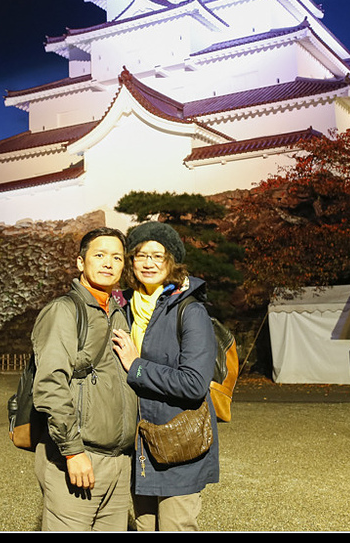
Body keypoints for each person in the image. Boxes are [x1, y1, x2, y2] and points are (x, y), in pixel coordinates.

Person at [111, 222, 219, 531]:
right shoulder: (126, 308)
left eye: (158, 255)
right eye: (141, 255)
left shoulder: (189, 310)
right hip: (139, 444)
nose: (149, 263)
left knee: (176, 526)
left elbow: (194, 383)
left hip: (178, 442)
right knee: (145, 527)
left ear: (172, 261)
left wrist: (137, 366)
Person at [30, 227, 138, 531]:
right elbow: (51, 385)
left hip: (118, 460)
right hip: (79, 455)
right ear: (81, 262)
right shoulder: (64, 311)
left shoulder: (118, 313)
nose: (108, 263)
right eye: (99, 255)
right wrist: (73, 451)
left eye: (116, 257)